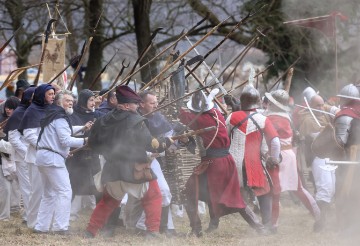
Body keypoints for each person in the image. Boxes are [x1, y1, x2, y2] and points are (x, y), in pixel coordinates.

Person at [85, 85, 172, 238]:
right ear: (125, 105)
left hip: (112, 167)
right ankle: (152, 231)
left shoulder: (103, 119)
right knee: (154, 196)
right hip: (135, 169)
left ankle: (90, 231)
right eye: (134, 103)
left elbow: (92, 143)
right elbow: (150, 145)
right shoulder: (137, 121)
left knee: (108, 201)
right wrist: (166, 141)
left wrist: (109, 153)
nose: (137, 106)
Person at [179, 88, 265, 237]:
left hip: (215, 164)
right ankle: (208, 225)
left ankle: (197, 228)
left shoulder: (201, 119)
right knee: (204, 193)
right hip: (222, 162)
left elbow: (183, 117)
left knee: (231, 198)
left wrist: (177, 109)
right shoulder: (216, 113)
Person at [264, 90, 321, 232]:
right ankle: (319, 217)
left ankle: (273, 225)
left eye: (271, 101)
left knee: (277, 190)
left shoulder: (271, 118)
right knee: (296, 189)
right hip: (287, 154)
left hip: (277, 156)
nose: (269, 103)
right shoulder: (285, 116)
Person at [226, 84, 280, 232]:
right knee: (264, 191)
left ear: (242, 101)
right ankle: (267, 225)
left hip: (234, 162)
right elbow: (275, 141)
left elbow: (225, 138)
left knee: (237, 194)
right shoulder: (263, 119)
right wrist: (274, 158)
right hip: (254, 162)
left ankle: (257, 226)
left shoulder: (232, 117)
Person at [33, 90, 89, 234]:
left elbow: (63, 133)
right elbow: (65, 140)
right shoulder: (60, 117)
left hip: (44, 157)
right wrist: (86, 141)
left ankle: (41, 227)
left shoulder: (52, 114)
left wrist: (82, 128)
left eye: (72, 101)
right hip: (52, 159)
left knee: (49, 194)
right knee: (65, 191)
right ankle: (60, 227)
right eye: (67, 100)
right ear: (59, 102)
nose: (71, 103)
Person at [123, 90, 176, 237]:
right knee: (129, 196)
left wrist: (172, 142)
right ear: (142, 104)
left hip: (150, 161)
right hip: (129, 160)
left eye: (156, 102)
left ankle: (162, 227)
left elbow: (169, 138)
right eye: (152, 103)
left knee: (163, 192)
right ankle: (129, 224)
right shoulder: (133, 118)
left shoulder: (158, 117)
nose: (156, 105)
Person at [18, 84, 55, 228]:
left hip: (49, 156)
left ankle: (45, 220)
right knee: (37, 192)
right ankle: (32, 221)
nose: (53, 96)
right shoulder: (32, 111)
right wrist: (45, 146)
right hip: (35, 158)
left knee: (49, 191)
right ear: (42, 96)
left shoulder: (50, 109)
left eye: (53, 94)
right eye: (50, 94)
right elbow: (29, 135)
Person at [298, 94, 336, 231]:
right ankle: (320, 222)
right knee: (324, 188)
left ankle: (325, 220)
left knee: (331, 188)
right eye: (317, 106)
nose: (320, 108)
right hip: (318, 157)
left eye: (322, 105)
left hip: (329, 156)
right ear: (311, 106)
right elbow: (318, 138)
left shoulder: (325, 115)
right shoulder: (307, 120)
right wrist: (329, 130)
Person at [66, 89, 102, 221]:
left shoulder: (97, 114)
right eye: (90, 100)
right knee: (75, 184)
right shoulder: (72, 115)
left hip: (93, 154)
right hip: (76, 156)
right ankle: (70, 215)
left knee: (97, 184)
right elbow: (67, 134)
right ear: (83, 101)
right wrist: (83, 129)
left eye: (94, 100)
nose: (93, 103)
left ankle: (99, 216)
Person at [5, 87, 36, 223]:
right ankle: (30, 216)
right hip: (23, 157)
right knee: (27, 188)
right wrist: (27, 152)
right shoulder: (18, 113)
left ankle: (33, 214)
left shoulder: (33, 111)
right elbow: (14, 139)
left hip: (34, 157)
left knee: (34, 187)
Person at [333, 84, 360, 234]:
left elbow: (340, 142)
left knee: (347, 189)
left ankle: (348, 225)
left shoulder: (345, 115)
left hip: (351, 157)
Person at [0, 97, 21, 221]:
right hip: (3, 158)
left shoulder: (20, 121)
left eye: (12, 108)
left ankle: (14, 207)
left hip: (16, 157)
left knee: (16, 185)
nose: (8, 110)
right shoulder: (2, 120)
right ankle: (4, 216)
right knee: (5, 188)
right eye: (7, 107)